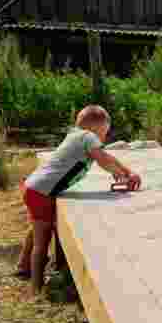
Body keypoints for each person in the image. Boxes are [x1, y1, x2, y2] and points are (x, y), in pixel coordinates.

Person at [17, 105, 141, 295]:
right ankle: (36, 288)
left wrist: (125, 171)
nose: (103, 139)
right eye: (104, 133)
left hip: (34, 187)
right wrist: (122, 173)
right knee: (43, 240)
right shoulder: (87, 137)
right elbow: (103, 158)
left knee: (36, 228)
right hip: (42, 193)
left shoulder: (76, 135)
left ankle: (23, 266)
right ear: (95, 128)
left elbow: (105, 156)